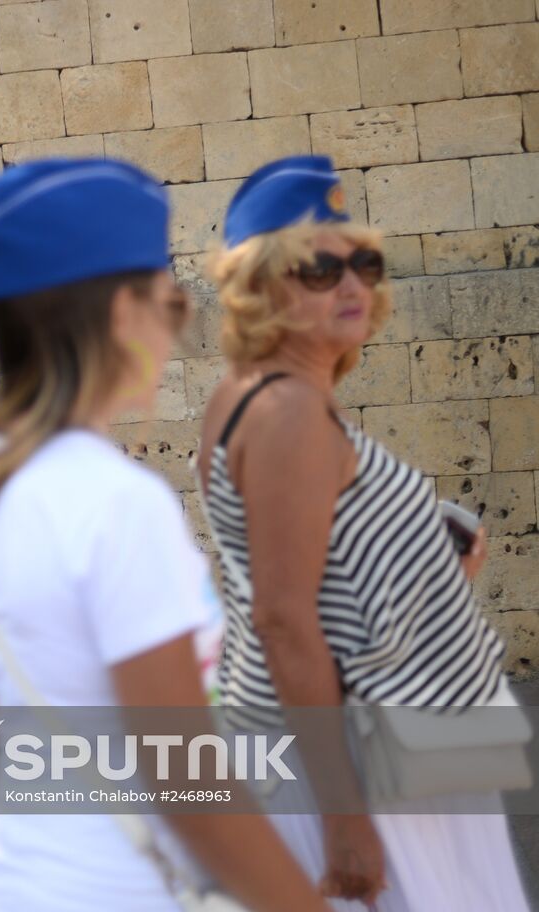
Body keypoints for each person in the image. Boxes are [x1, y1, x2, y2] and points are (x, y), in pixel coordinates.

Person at [0, 158, 328, 911]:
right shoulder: (118, 501)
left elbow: (9, 705)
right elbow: (184, 776)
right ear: (124, 315)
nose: (179, 324)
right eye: (171, 303)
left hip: (24, 876)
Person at [197, 155, 527, 910]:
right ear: (262, 283)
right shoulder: (287, 415)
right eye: (319, 267)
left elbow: (317, 583)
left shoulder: (255, 396)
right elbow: (283, 617)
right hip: (366, 762)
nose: (352, 284)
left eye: (364, 263)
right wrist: (345, 819)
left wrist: (427, 566)